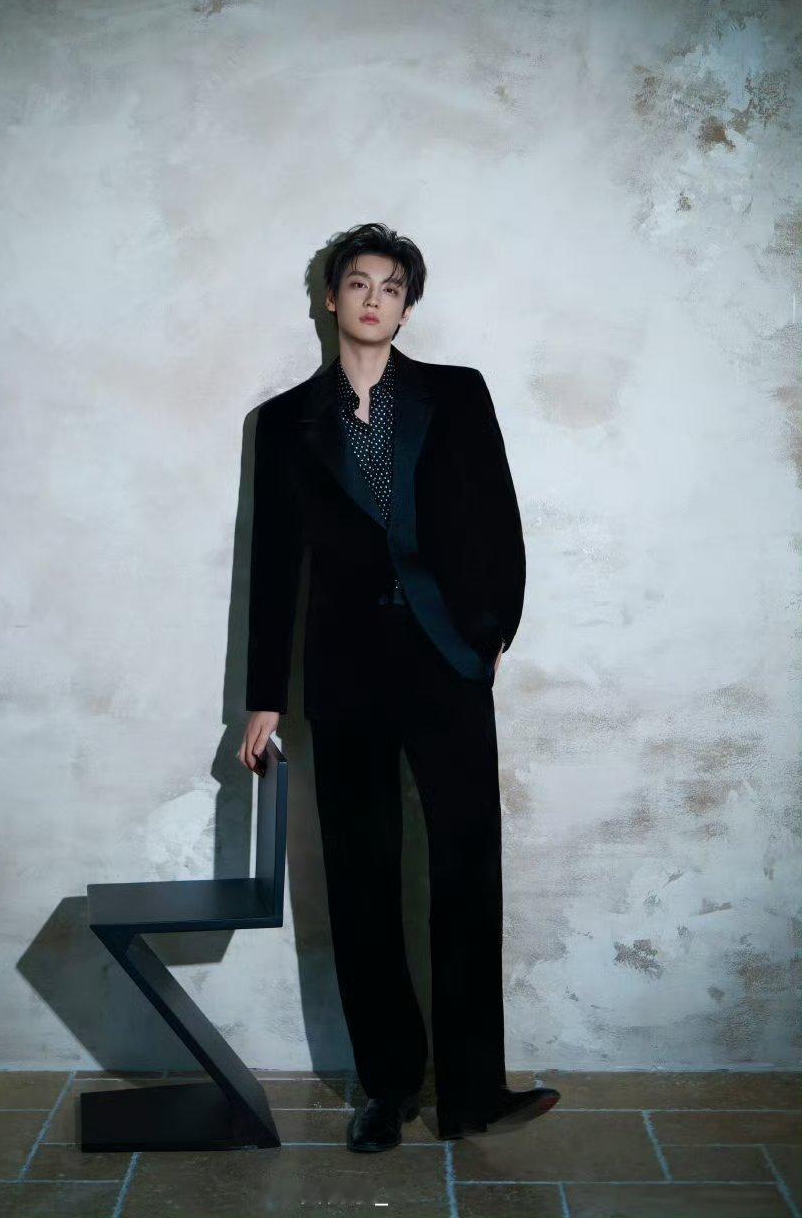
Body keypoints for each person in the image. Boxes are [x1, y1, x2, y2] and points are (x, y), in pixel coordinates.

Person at [238, 221, 560, 1152]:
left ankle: (473, 1093)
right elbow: (274, 567)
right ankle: (388, 1088)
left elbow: (498, 519)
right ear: (330, 299)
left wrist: (489, 635)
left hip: (447, 661)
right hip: (345, 674)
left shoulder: (456, 395)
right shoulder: (284, 423)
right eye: (358, 283)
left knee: (465, 870)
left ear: (407, 306)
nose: (374, 298)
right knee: (362, 878)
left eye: (391, 286)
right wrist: (264, 695)